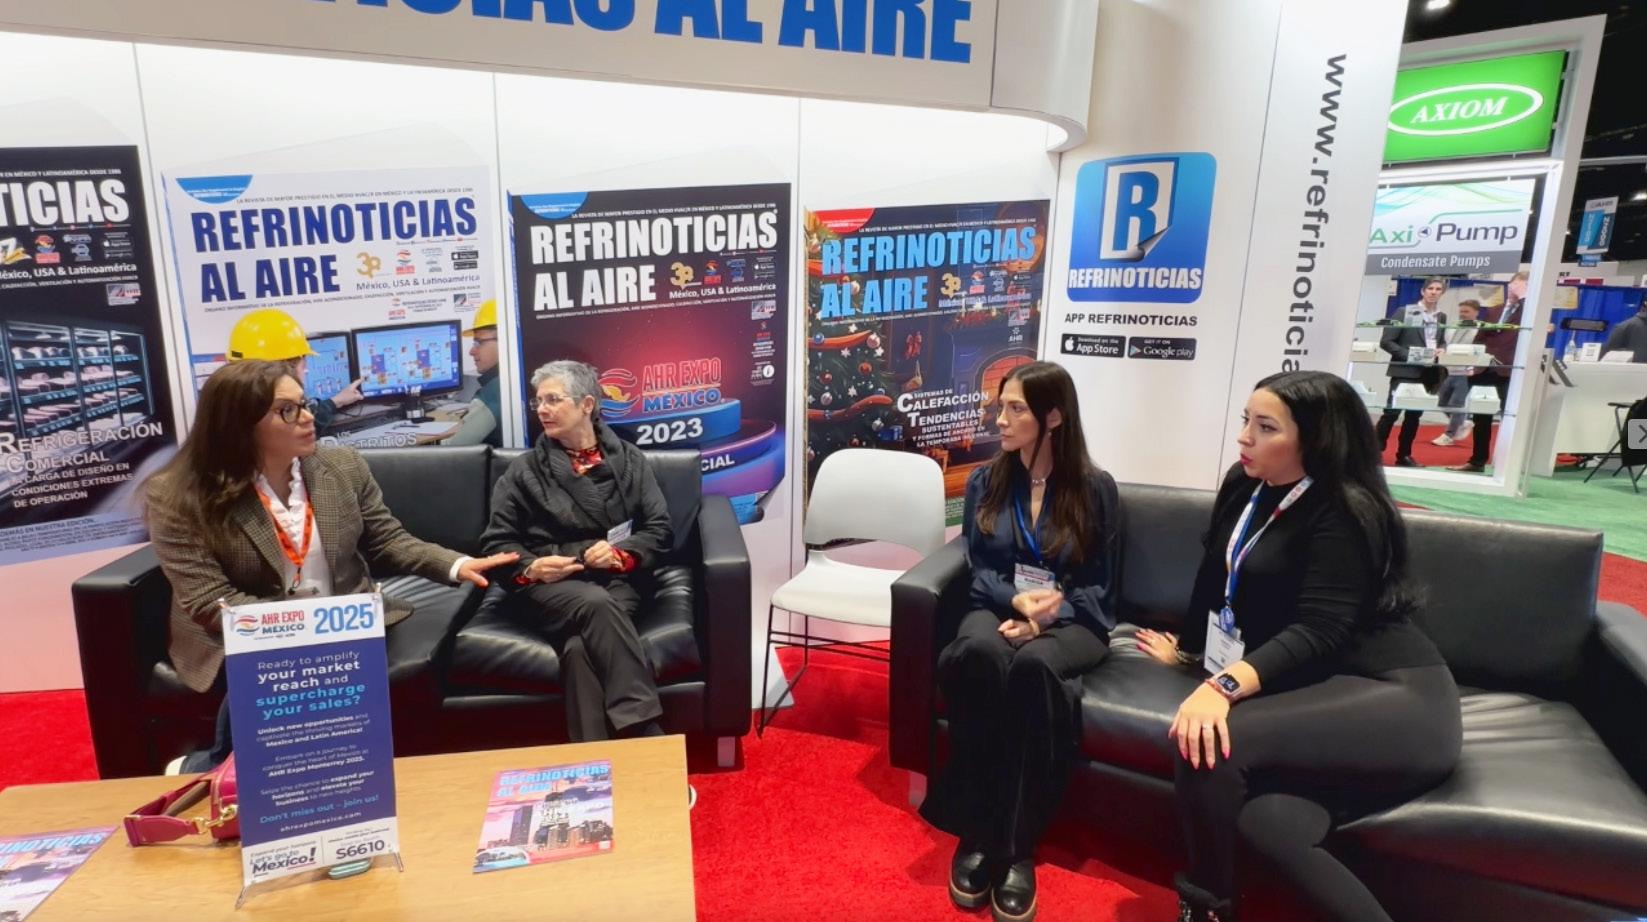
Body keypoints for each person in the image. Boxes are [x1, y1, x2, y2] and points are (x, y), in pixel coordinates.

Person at [1135, 370, 1461, 922]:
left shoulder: (1344, 508)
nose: (1244, 437)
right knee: (1268, 823)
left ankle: (1207, 907)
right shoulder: (1245, 485)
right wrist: (1189, 651)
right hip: (1318, 687)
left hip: (1395, 697)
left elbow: (1319, 630)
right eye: (1246, 420)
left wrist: (1222, 686)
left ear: (1315, 438)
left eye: (1266, 427)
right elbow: (1216, 576)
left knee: (1211, 741)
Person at [144, 360, 518, 773]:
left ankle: (230, 765)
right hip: (249, 629)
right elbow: (209, 601)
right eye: (287, 410)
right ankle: (214, 765)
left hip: (341, 619)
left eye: (303, 404)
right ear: (238, 423)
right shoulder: (179, 495)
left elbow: (388, 540)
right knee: (287, 671)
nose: (308, 417)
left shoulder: (342, 466)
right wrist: (302, 629)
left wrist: (457, 564)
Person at [918, 360, 1120, 922]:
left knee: (1033, 668)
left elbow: (1101, 587)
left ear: (1053, 418)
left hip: (1075, 620)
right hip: (998, 606)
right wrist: (1017, 602)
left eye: (1015, 409)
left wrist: (1044, 620)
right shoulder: (986, 480)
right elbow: (978, 569)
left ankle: (1013, 847)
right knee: (978, 654)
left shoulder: (1095, 488)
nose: (999, 420)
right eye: (999, 407)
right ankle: (979, 830)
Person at [481, 360, 675, 742]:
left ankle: (592, 758)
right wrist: (532, 567)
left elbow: (659, 529)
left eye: (553, 399)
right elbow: (496, 542)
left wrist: (620, 555)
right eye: (538, 401)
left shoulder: (630, 460)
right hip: (549, 586)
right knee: (595, 603)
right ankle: (643, 729)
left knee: (578, 649)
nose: (542, 409)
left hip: (615, 579)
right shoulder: (524, 471)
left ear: (587, 404)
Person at [226, 308, 365, 430]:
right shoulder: (278, 424)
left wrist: (335, 401)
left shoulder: (230, 409)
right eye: (303, 366)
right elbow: (310, 423)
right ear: (285, 369)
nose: (307, 418)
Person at [1450, 271, 1527, 473]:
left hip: (1509, 371)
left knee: (1509, 417)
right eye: (1514, 285)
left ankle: (1508, 465)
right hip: (1484, 369)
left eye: (1521, 287)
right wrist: (1472, 364)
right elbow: (1481, 338)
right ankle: (1477, 461)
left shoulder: (1528, 310)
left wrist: (1524, 297)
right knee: (1481, 417)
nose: (1515, 290)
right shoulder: (1495, 310)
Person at [1376, 277, 1448, 466]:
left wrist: (1442, 348)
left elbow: (1440, 340)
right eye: (1430, 288)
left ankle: (1404, 455)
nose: (1434, 292)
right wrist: (1410, 356)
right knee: (1391, 413)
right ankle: (1373, 453)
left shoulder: (1441, 317)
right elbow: (1386, 341)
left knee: (1414, 416)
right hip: (1405, 371)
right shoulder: (1405, 312)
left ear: (1442, 293)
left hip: (1428, 373)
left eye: (1438, 289)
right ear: (1423, 291)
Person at [440, 299, 504, 447]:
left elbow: (453, 449)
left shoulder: (494, 392)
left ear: (505, 340)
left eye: (478, 342)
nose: (471, 351)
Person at [1430, 299, 1480, 447]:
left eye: (1466, 311)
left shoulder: (1479, 329)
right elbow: (1447, 344)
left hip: (1465, 371)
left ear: (1476, 312)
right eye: (1461, 311)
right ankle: (1462, 422)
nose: (1463, 314)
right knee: (1442, 401)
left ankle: (1449, 435)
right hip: (1450, 369)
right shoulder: (1453, 326)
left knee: (1456, 404)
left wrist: (1472, 367)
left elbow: (1479, 350)